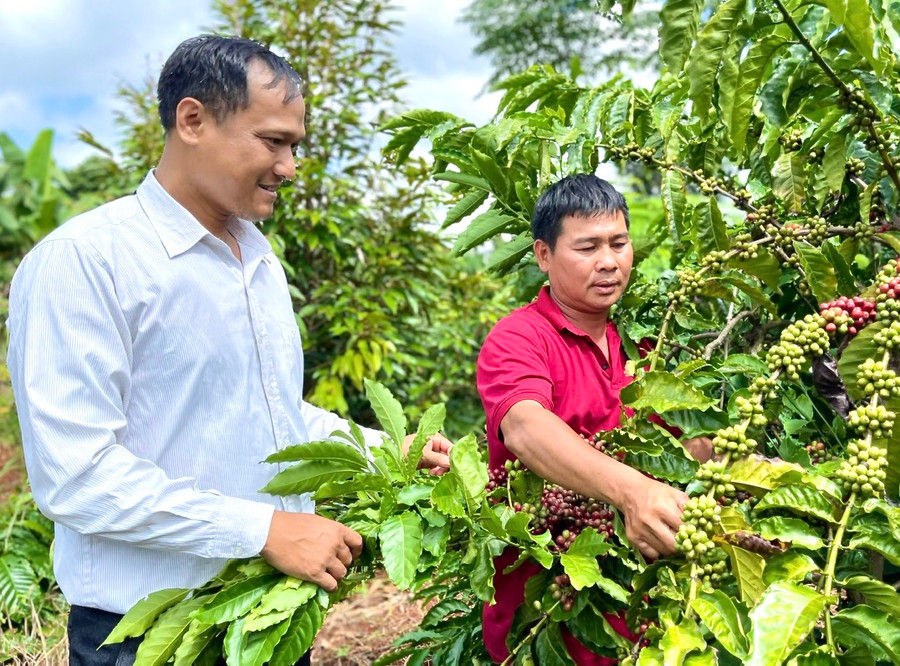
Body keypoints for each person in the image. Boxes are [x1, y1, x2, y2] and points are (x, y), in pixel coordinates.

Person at [6, 35, 451, 665]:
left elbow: (266, 412)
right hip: (144, 637)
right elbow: (77, 474)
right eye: (272, 142)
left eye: (295, 146)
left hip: (267, 616)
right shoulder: (85, 261)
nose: (290, 167)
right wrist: (263, 529)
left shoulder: (257, 258)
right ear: (192, 120)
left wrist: (384, 451)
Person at [476, 174, 711, 664]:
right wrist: (633, 491)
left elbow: (682, 453)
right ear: (544, 255)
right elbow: (525, 425)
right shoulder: (519, 338)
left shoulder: (648, 346)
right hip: (550, 618)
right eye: (587, 247)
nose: (608, 262)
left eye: (618, 243)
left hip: (645, 614)